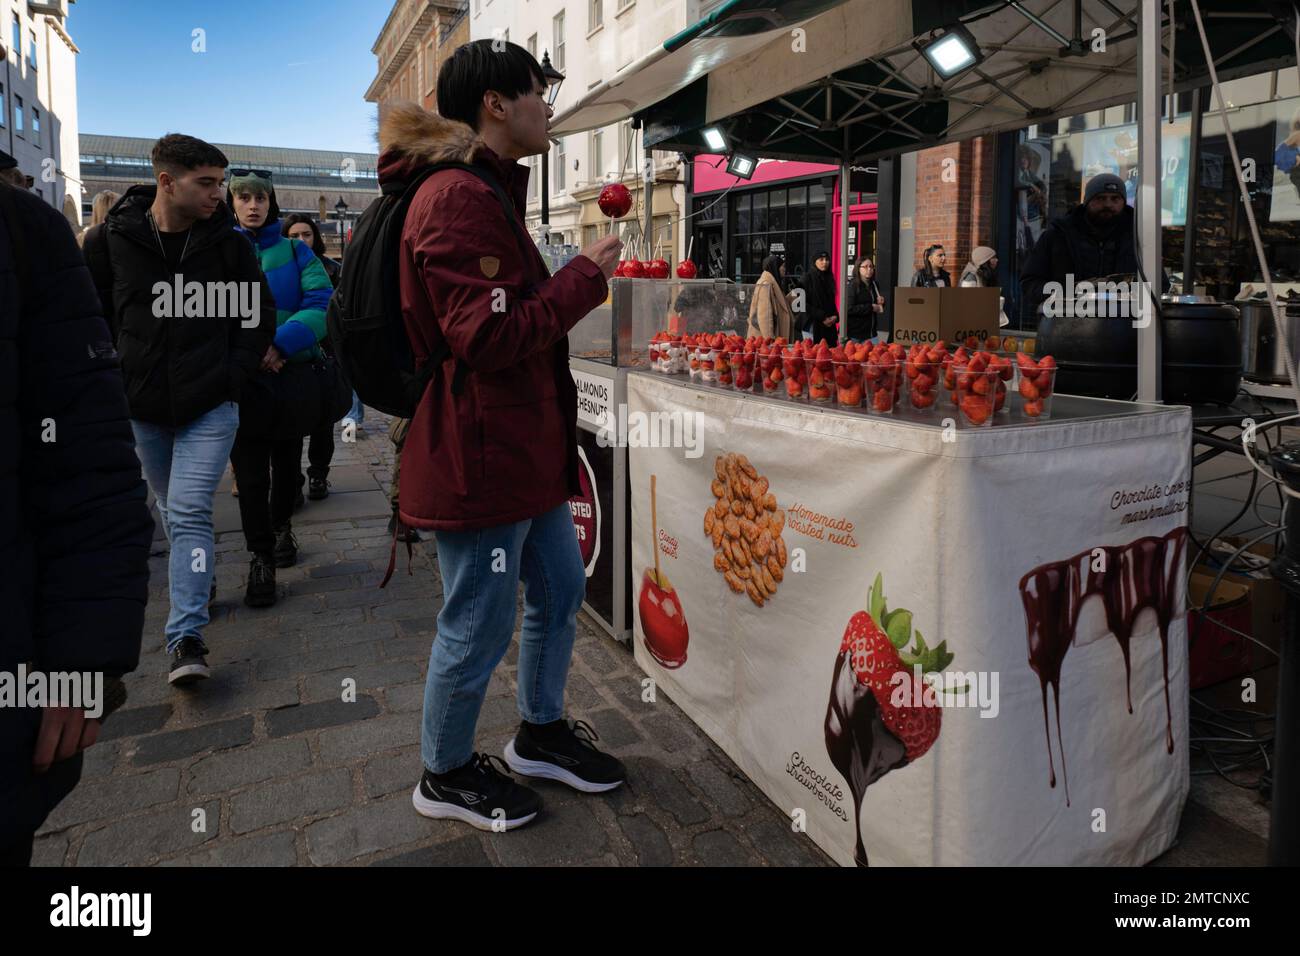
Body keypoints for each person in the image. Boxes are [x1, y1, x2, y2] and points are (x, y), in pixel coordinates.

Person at [380, 39, 624, 831]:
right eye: (537, 92)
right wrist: (584, 276)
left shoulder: (485, 190)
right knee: (479, 618)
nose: (547, 106)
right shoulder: (457, 197)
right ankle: (444, 772)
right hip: (480, 453)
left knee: (559, 590)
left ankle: (540, 733)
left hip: (521, 449)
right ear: (496, 103)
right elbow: (488, 339)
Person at [83, 134, 275, 686]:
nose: (222, 194)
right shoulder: (108, 242)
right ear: (168, 182)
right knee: (172, 507)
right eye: (208, 183)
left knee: (188, 509)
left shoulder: (230, 247)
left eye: (222, 182)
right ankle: (199, 571)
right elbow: (90, 318)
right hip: (142, 409)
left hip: (210, 406)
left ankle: (185, 635)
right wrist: (111, 378)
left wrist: (233, 376)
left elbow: (255, 314)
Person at [0, 180, 153, 866]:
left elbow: (85, 464)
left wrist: (81, 660)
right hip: (153, 399)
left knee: (190, 516)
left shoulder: (22, 235)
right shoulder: (103, 242)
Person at [227, 171, 332, 607]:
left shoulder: (294, 251)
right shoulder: (218, 249)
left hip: (286, 375)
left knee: (286, 464)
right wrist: (249, 352)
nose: (253, 205)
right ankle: (260, 555)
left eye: (260, 198)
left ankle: (282, 525)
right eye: (244, 197)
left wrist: (282, 344)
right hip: (241, 379)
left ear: (271, 202)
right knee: (250, 475)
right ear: (233, 203)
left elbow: (320, 303)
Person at [282, 213, 340, 502]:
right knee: (289, 426)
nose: (301, 240)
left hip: (324, 354)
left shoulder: (331, 268)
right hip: (291, 354)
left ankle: (319, 474)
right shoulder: (281, 267)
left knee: (322, 422)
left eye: (306, 234)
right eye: (294, 236)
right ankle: (291, 482)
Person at [1020, 172, 1137, 314]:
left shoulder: (1138, 239)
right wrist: (1068, 295)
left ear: (1123, 203)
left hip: (1123, 329)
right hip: (1067, 327)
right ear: (1087, 201)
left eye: (1115, 199)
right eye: (1100, 198)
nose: (1108, 204)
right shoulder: (1057, 236)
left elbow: (1158, 287)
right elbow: (1030, 283)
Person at [746, 253, 794, 340]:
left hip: (773, 338)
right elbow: (764, 316)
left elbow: (778, 304)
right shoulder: (765, 284)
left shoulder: (774, 283)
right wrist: (769, 340)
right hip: (765, 341)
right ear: (775, 267)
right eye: (782, 266)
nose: (784, 269)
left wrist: (790, 298)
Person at [845, 256, 885, 344]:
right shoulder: (853, 286)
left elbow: (876, 304)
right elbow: (849, 308)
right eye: (865, 267)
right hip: (855, 335)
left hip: (871, 334)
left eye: (871, 266)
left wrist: (881, 302)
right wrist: (870, 307)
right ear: (858, 268)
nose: (869, 269)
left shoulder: (874, 284)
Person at [802, 250, 838, 346]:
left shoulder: (829, 278)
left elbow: (831, 302)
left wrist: (835, 316)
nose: (825, 262)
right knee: (814, 356)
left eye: (827, 259)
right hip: (813, 325)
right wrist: (822, 317)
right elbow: (801, 303)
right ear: (815, 261)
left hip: (829, 326)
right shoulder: (807, 278)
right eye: (821, 259)